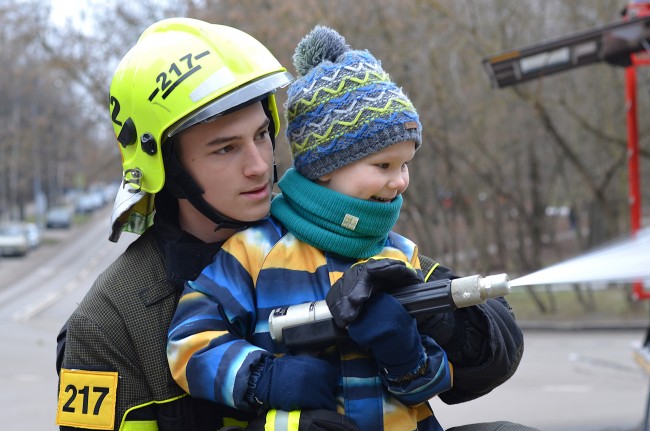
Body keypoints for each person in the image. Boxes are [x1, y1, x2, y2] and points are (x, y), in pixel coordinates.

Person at [167, 26, 537, 431]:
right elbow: (189, 342)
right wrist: (264, 379)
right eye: (383, 166)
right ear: (325, 167)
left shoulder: (400, 256)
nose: (400, 182)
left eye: (405, 164)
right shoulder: (254, 251)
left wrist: (407, 357)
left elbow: (427, 389)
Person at [55, 17, 358, 431]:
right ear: (169, 168)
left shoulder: (324, 233)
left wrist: (449, 329)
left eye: (261, 134)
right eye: (226, 149)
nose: (258, 166)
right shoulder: (110, 322)